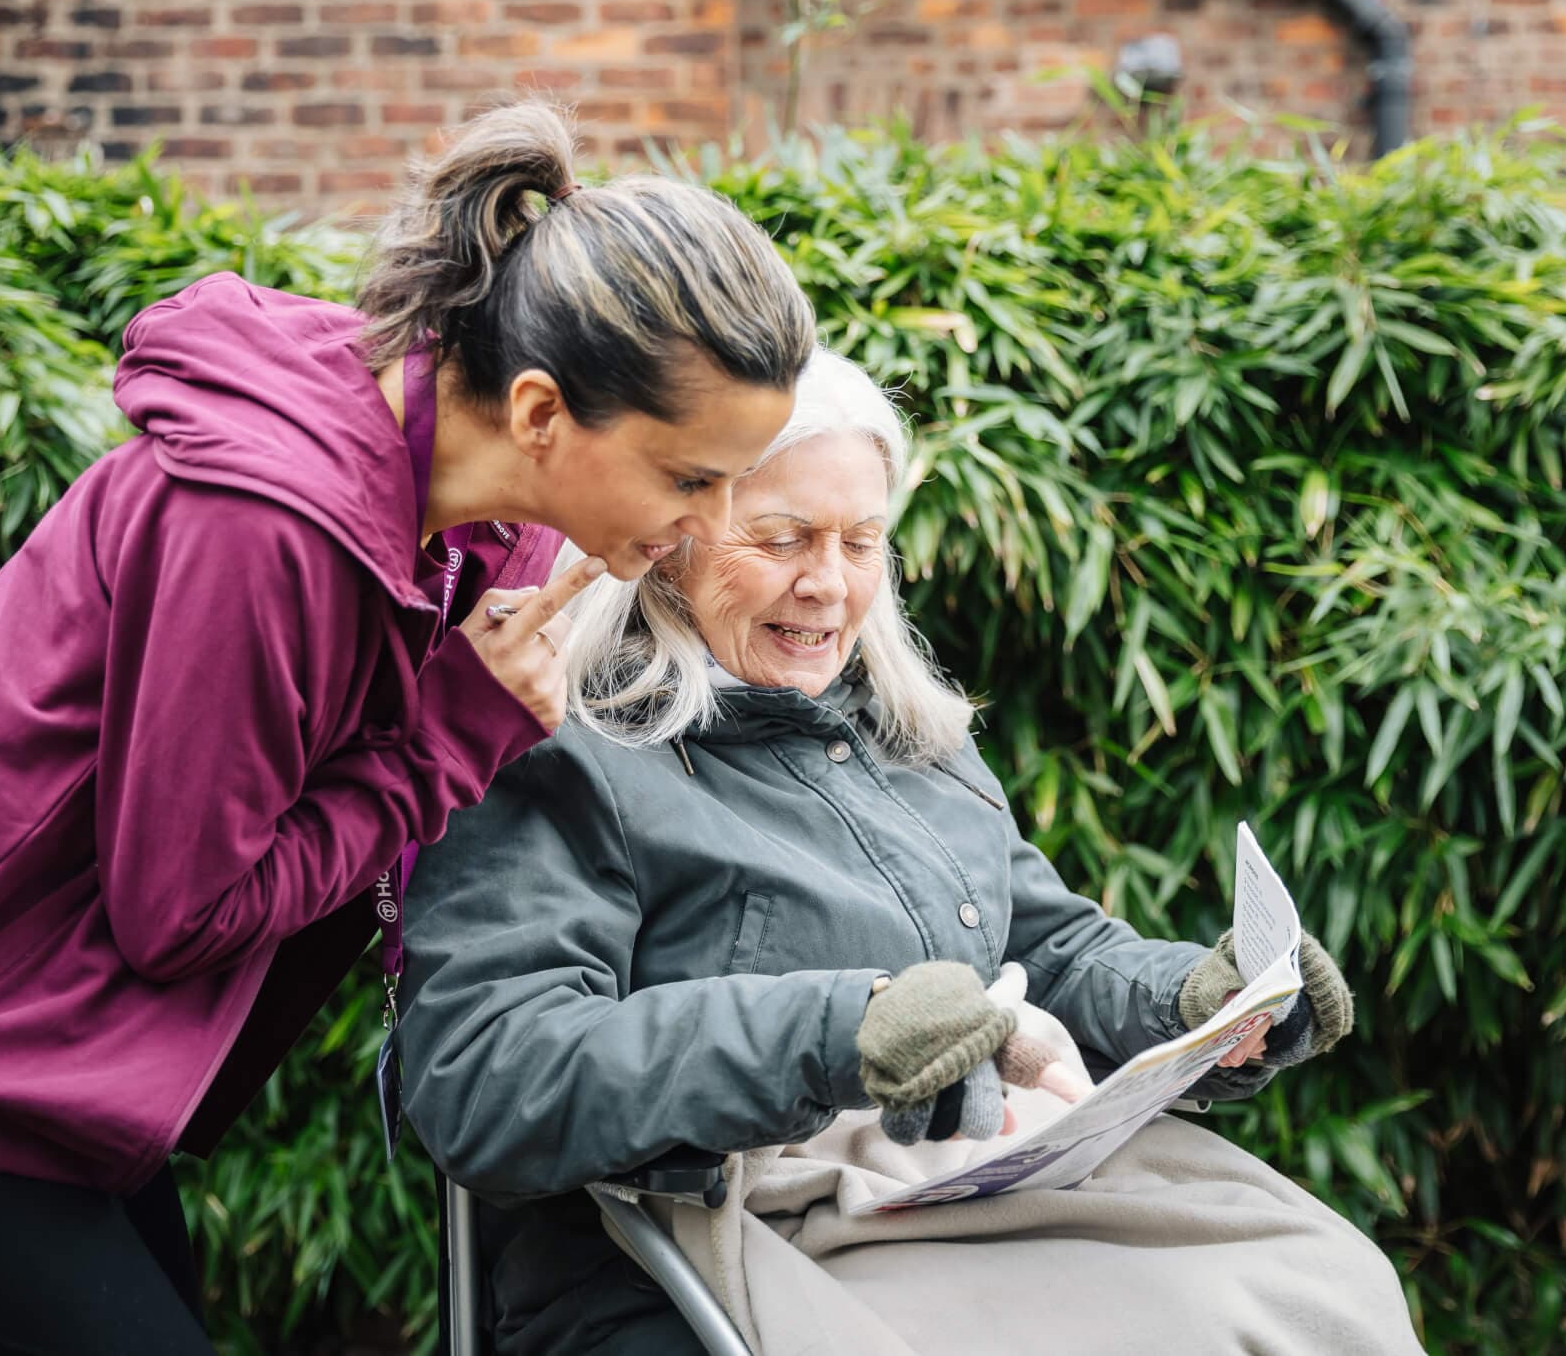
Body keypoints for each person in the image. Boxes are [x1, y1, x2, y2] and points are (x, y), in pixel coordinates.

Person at [0, 101, 814, 1356]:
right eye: (689, 479)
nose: (714, 521)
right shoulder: (264, 529)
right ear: (536, 414)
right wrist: (454, 735)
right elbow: (178, 913)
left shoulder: (493, 529)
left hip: (47, 1039)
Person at [397, 348, 1421, 1355]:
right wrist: (840, 1030)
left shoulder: (903, 732)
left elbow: (1046, 953)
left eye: (859, 541)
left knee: (1314, 1286)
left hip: (958, 1194)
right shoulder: (561, 748)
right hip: (693, 1245)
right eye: (783, 536)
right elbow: (486, 1074)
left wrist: (1198, 1003)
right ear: (671, 537)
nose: (828, 585)